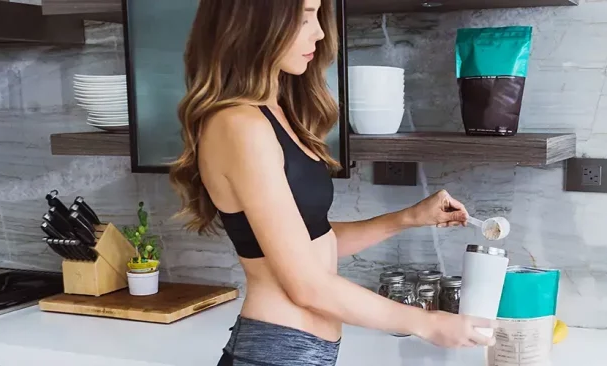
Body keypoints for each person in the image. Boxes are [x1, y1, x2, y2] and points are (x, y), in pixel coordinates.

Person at [168, 1, 496, 365]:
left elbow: (310, 243)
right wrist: (427, 322)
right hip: (274, 356)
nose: (320, 31)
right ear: (257, 19)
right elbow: (306, 284)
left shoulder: (273, 113)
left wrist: (407, 218)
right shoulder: (239, 126)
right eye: (305, 15)